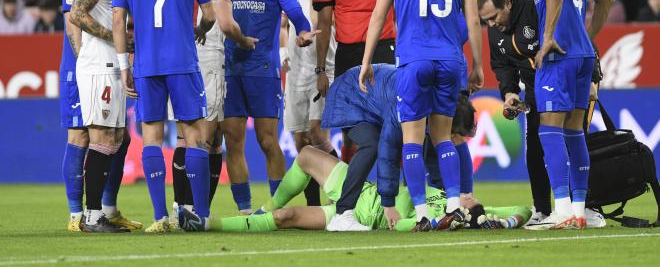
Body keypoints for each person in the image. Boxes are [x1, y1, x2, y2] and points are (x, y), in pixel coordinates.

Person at [360, 0, 484, 232]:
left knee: (412, 139)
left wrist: (366, 62)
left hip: (413, 61)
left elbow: (379, 17)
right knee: (443, 137)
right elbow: (473, 21)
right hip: (449, 60)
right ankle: (454, 206)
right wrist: (479, 65)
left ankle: (423, 214)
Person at [507, 0, 615, 229]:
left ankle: (563, 210)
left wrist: (550, 37)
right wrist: (586, 38)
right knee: (574, 132)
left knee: (549, 131)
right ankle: (580, 211)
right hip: (582, 56)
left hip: (558, 57)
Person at [111, 0, 217, 233]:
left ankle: (160, 218)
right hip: (183, 62)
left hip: (146, 64)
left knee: (152, 138)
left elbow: (118, 21)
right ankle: (199, 216)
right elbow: (211, 14)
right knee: (195, 136)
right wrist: (199, 29)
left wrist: (123, 65)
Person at [179, 146, 532, 232]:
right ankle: (261, 208)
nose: (468, 197)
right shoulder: (455, 201)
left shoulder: (448, 217)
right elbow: (523, 207)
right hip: (362, 191)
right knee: (306, 155)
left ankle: (207, 224)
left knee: (286, 217)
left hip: (362, 215)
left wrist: (459, 221)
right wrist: (509, 222)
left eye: (471, 201)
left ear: (470, 211)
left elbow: (405, 225)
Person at [223, 0, 316, 214]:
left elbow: (291, 5)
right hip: (230, 70)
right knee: (233, 142)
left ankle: (276, 207)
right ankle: (245, 211)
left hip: (262, 71)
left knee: (267, 141)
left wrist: (302, 29)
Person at [170, 0, 257, 222]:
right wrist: (244, 40)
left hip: (176, 59)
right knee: (206, 139)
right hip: (207, 60)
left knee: (188, 137)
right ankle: (195, 210)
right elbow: (224, 22)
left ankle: (181, 206)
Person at [312, 0, 394, 230]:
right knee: (362, 138)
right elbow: (324, 23)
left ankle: (393, 201)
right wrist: (322, 69)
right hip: (347, 61)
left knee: (393, 134)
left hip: (385, 57)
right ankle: (346, 209)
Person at [59, 0, 141, 232]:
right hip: (84, 66)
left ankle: (105, 209)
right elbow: (73, 21)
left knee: (119, 138)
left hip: (105, 62)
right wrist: (84, 61)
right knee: (82, 136)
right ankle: (78, 214)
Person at [477, 0, 549, 224]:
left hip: (560, 83)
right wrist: (509, 93)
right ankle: (543, 211)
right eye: (485, 20)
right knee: (535, 149)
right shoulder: (495, 30)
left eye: (494, 17)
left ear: (507, 3)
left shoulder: (535, 6)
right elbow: (502, 65)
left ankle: (585, 206)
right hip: (532, 90)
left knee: (566, 143)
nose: (491, 24)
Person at [279, 0, 338, 206]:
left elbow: (316, 28)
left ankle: (343, 197)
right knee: (301, 140)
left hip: (322, 70)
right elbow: (283, 24)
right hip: (296, 73)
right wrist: (283, 51)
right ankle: (313, 206)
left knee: (317, 134)